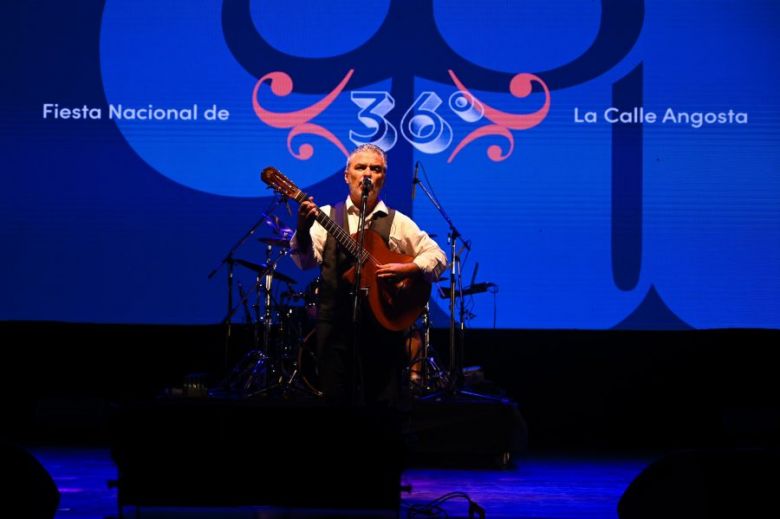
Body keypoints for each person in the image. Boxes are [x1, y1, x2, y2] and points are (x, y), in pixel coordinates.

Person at [291, 144, 447, 405]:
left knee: (383, 404)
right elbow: (305, 262)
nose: (367, 174)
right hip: (334, 327)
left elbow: (437, 256)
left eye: (375, 169)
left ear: (383, 178)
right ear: (347, 175)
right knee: (335, 402)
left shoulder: (398, 222)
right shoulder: (328, 215)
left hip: (382, 326)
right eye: (360, 167)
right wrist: (303, 230)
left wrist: (409, 268)